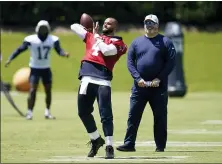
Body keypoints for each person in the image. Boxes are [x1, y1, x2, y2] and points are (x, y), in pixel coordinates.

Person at [116, 14, 176, 152]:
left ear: (157, 25)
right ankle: (129, 144)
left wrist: (158, 79)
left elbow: (171, 63)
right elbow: (130, 62)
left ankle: (160, 146)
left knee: (160, 117)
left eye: (152, 23)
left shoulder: (166, 42)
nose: (149, 25)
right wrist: (138, 79)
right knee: (133, 116)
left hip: (158, 88)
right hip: (139, 88)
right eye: (147, 23)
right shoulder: (136, 42)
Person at [70, 17, 127, 159]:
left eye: (109, 23)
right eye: (104, 22)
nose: (105, 24)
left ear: (115, 26)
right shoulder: (92, 36)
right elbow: (73, 26)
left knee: (106, 115)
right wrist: (88, 29)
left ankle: (109, 145)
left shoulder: (119, 43)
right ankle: (96, 139)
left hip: (103, 80)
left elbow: (107, 51)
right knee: (82, 112)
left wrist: (95, 36)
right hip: (86, 78)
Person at [5, 20, 69, 120]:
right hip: (35, 68)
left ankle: (47, 112)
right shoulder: (31, 39)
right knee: (32, 90)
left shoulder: (53, 39)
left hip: (46, 68)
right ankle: (29, 112)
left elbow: (58, 50)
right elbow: (20, 49)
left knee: (48, 90)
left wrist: (63, 53)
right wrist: (10, 58)